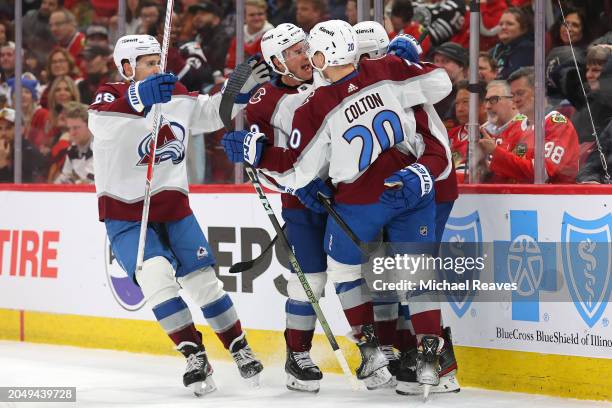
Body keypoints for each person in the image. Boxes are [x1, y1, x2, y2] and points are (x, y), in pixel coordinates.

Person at [229, 20, 453, 395]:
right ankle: (299, 356)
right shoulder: (264, 102)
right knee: (315, 281)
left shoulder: (319, 98)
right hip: (310, 202)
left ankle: (381, 349)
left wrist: (264, 157)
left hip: (349, 196)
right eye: (292, 52)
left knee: (371, 272)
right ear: (275, 62)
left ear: (320, 53)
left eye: (304, 47)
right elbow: (438, 85)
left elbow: (297, 164)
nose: (301, 55)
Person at [88, 34, 263, 395]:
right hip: (125, 213)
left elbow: (209, 114)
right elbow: (100, 124)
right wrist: (141, 98)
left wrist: (235, 95)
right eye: (148, 62)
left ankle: (239, 346)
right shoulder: (109, 94)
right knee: (156, 278)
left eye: (158, 60)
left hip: (174, 207)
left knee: (203, 282)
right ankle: (194, 355)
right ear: (126, 68)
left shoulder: (175, 91)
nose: (157, 67)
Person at [479, 67, 579, 183]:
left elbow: (541, 173)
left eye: (520, 93)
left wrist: (496, 152)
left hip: (552, 199)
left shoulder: (557, 124)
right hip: (520, 197)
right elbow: (510, 171)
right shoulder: (518, 127)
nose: (515, 99)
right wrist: (485, 167)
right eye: (513, 95)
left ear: (539, 91)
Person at [224, 0, 274, 74]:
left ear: (266, 15)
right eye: (252, 15)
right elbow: (230, 65)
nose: (257, 18)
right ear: (243, 17)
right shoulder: (239, 34)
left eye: (260, 14)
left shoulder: (272, 35)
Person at [0, 107, 47, 183]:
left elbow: (22, 190)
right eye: (0, 128)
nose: (3, 133)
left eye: (8, 128)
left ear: (21, 129)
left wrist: (2, 165)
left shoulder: (29, 153)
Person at [53, 102, 94, 184]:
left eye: (76, 128)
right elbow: (65, 177)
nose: (72, 133)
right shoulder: (73, 149)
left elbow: (90, 181)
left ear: (90, 126)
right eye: (70, 128)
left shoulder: (102, 148)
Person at [490, 7, 534, 80]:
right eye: (500, 24)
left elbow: (512, 77)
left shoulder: (527, 49)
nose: (503, 27)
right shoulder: (495, 49)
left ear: (523, 28)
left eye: (509, 24)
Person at [430, 42, 468, 126]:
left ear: (461, 65)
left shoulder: (471, 93)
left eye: (446, 61)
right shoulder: (431, 94)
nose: (439, 66)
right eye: (436, 61)